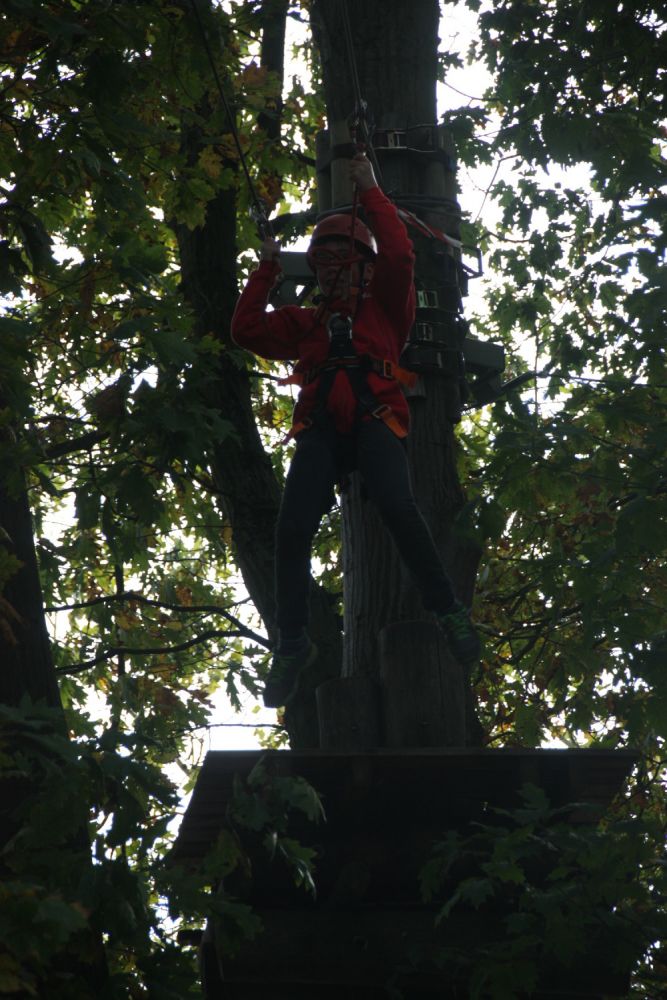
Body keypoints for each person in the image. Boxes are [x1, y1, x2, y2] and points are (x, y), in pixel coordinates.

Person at [231, 152, 480, 708]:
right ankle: (292, 642)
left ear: (364, 268)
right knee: (291, 529)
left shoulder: (386, 309)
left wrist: (370, 189)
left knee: (398, 507)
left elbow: (399, 252)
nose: (330, 271)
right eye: (322, 263)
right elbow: (245, 330)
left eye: (341, 259)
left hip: (374, 420)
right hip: (321, 428)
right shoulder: (306, 323)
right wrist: (266, 269)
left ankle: (448, 610)